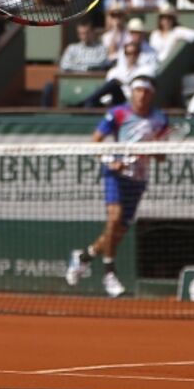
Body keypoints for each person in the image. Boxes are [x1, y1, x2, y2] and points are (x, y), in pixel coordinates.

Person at [66, 74, 170, 297]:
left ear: (152, 94)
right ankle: (109, 273)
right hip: (115, 174)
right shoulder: (118, 113)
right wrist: (110, 162)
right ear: (132, 93)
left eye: (146, 91)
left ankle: (84, 256)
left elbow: (162, 157)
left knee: (117, 232)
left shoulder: (160, 119)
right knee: (114, 219)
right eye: (138, 90)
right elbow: (95, 142)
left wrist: (153, 148)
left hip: (138, 179)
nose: (141, 95)